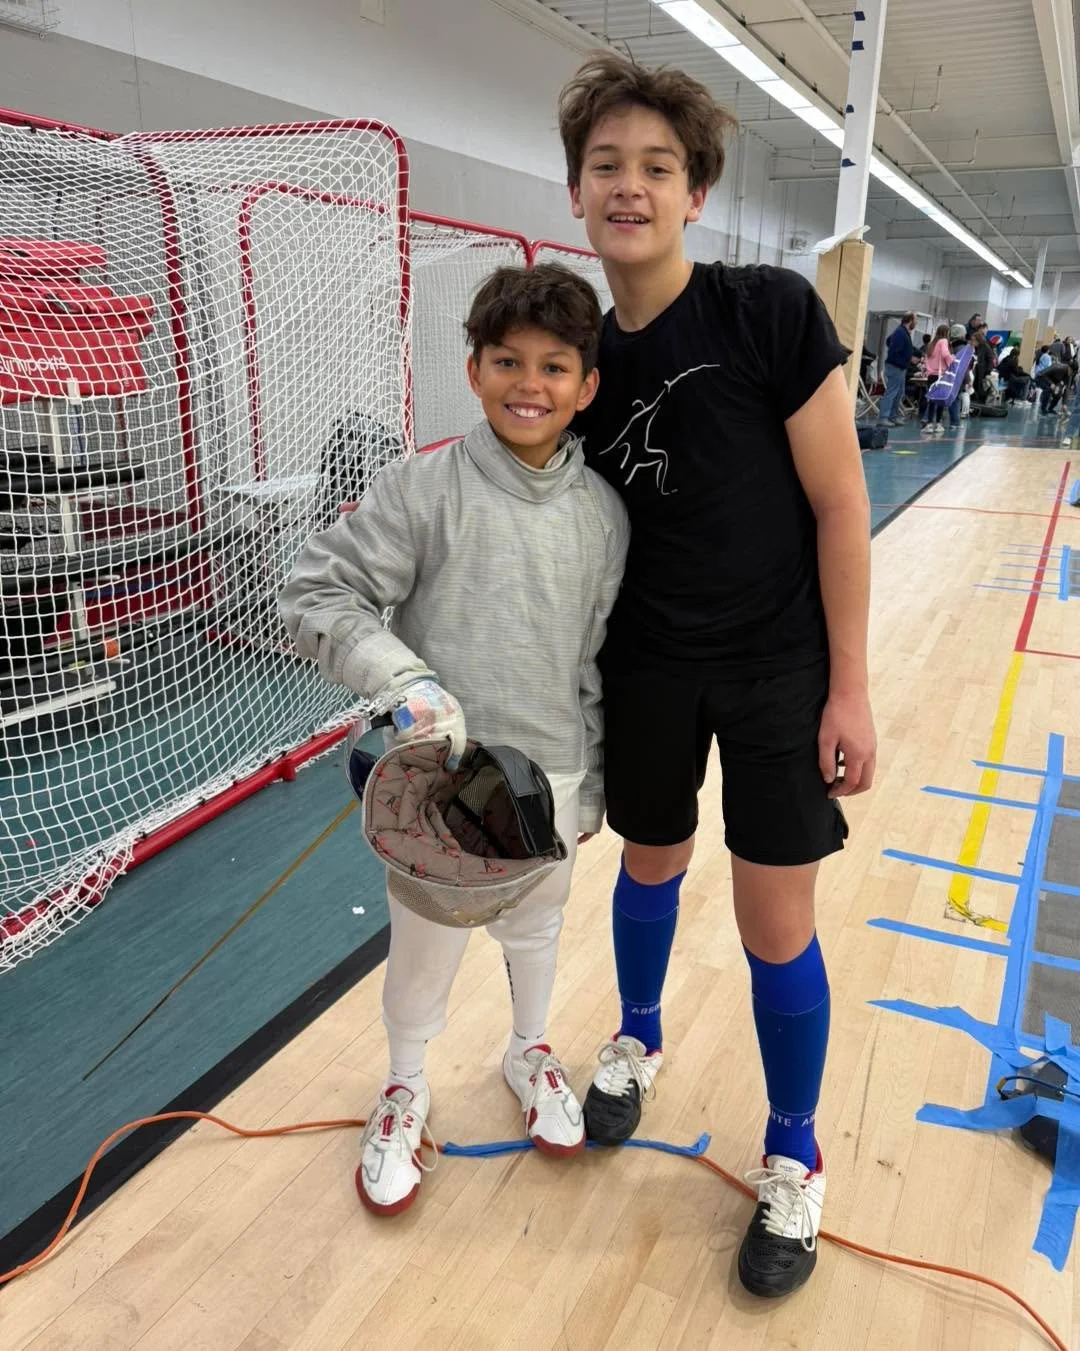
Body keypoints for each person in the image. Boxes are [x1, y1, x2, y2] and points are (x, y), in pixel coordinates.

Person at [557, 53, 875, 1299]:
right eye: (606, 166)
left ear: (695, 193)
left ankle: (794, 1154)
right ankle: (636, 1038)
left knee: (772, 920)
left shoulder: (769, 311)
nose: (629, 186)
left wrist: (850, 686)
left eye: (657, 167)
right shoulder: (579, 361)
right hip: (646, 664)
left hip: (778, 666)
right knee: (647, 861)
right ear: (576, 190)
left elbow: (841, 505)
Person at [278, 264, 629, 1215]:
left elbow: (592, 662)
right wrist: (405, 680)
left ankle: (527, 1051)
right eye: (507, 361)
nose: (529, 384)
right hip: (442, 787)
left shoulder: (603, 515)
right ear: (473, 370)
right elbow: (316, 592)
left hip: (550, 778)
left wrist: (590, 786)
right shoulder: (421, 488)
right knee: (425, 942)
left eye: (554, 367)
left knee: (538, 926)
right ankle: (403, 1085)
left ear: (587, 386)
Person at [878, 312, 917, 425]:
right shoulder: (901, 332)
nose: (916, 323)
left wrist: (908, 357)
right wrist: (908, 358)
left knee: (899, 393)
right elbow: (894, 350)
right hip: (896, 367)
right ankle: (883, 418)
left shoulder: (902, 332)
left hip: (900, 367)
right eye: (915, 320)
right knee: (892, 392)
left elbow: (889, 340)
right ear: (910, 320)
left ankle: (893, 417)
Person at [920, 323, 953, 435]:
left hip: (931, 376)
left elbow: (926, 360)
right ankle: (938, 423)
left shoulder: (931, 344)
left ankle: (929, 424)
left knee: (932, 400)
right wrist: (952, 363)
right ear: (946, 333)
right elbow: (945, 354)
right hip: (941, 375)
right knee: (941, 400)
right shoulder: (943, 341)